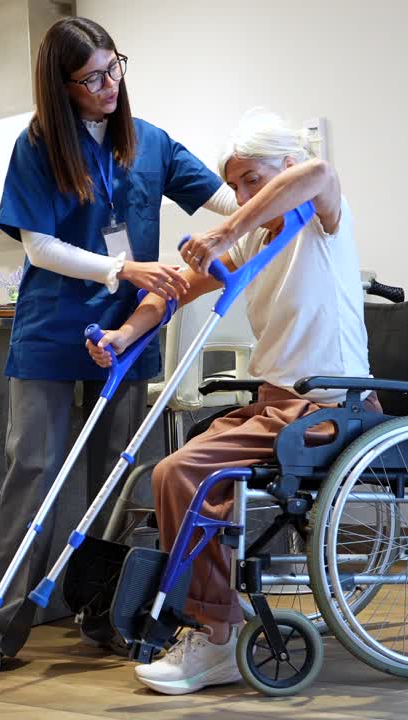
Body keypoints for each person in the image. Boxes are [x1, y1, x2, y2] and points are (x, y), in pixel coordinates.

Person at [0, 16, 237, 681]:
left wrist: (278, 191)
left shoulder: (153, 143)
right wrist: (122, 270)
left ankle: (104, 612)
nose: (109, 86)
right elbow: (39, 247)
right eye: (91, 78)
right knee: (36, 473)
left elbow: (225, 201)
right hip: (55, 330)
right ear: (62, 84)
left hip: (132, 330)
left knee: (118, 474)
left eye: (115, 69)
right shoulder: (38, 146)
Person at [86, 109, 381, 695]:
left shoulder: (322, 221)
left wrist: (222, 231)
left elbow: (320, 172)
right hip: (276, 405)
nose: (243, 195)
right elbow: (175, 288)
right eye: (237, 184)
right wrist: (123, 336)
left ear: (285, 169)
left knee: (179, 472)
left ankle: (215, 633)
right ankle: (216, 617)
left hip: (329, 409)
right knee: (180, 469)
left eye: (253, 179)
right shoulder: (256, 241)